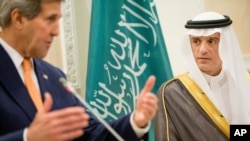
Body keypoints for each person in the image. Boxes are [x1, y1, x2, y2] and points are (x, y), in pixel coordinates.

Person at [0, 0, 159, 141]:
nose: (56, 31)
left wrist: (135, 121)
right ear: (18, 19)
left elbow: (91, 133)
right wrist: (27, 138)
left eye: (58, 20)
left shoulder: (56, 77)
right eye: (50, 19)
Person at [155, 11, 250, 141]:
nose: (202, 50)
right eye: (196, 41)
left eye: (211, 41)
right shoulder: (173, 93)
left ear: (226, 45)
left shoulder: (246, 83)